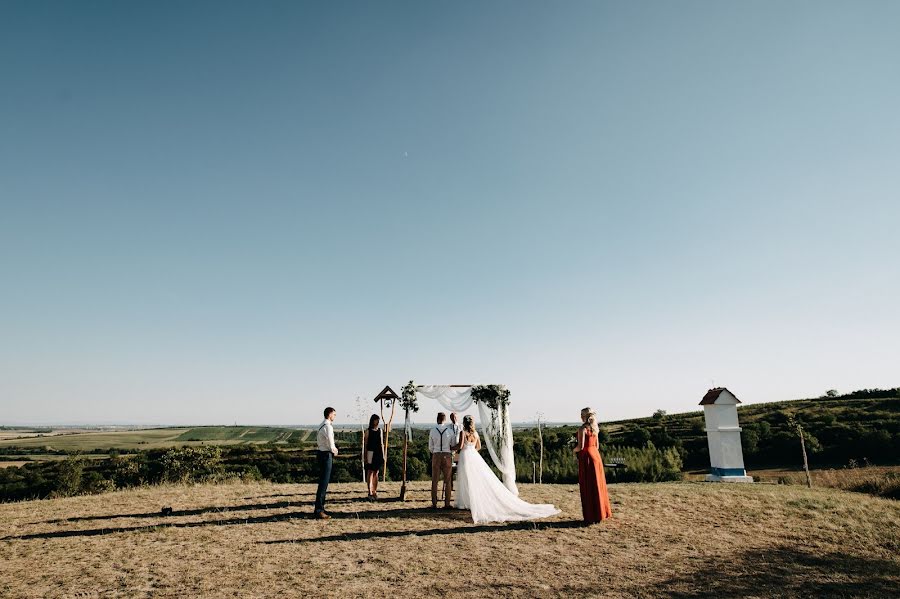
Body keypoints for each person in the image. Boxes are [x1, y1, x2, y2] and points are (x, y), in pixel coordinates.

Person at [455, 415, 560, 524]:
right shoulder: (475, 434)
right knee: (475, 479)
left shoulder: (463, 433)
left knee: (466, 479)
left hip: (466, 456)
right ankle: (472, 502)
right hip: (474, 455)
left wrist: (452, 447)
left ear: (464, 422)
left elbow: (460, 445)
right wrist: (472, 450)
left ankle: (467, 503)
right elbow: (479, 447)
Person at [574, 407, 612, 524]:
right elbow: (597, 446)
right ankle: (601, 513)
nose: (580, 416)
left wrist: (573, 451)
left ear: (585, 416)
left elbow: (580, 447)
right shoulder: (595, 428)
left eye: (581, 414)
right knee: (598, 484)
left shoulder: (582, 429)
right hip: (596, 456)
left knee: (589, 485)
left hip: (587, 458)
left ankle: (592, 515)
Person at [314, 406, 338, 519]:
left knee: (323, 482)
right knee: (324, 483)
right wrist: (335, 450)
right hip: (326, 455)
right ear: (329, 414)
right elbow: (330, 442)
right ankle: (319, 509)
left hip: (321, 453)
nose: (335, 416)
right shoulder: (328, 426)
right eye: (334, 414)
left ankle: (320, 507)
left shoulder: (321, 425)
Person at [429, 412, 454, 509]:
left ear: (437, 419)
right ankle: (447, 503)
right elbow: (452, 445)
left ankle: (434, 503)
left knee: (434, 480)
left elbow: (430, 447)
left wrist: (436, 452)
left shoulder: (432, 430)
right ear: (445, 419)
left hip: (436, 455)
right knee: (447, 480)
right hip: (447, 455)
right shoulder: (450, 431)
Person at [363, 414, 384, 500]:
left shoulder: (380, 431)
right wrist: (365, 456)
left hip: (378, 453)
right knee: (370, 472)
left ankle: (375, 491)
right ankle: (370, 491)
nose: (378, 422)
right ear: (372, 421)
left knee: (376, 472)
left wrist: (384, 454)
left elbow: (382, 443)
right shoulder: (368, 431)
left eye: (378, 420)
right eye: (376, 420)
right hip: (370, 453)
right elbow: (366, 444)